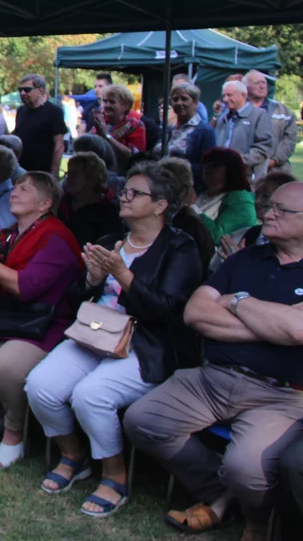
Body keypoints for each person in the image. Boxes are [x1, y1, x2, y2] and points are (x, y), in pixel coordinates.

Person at [124, 181, 303, 540]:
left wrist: (234, 301)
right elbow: (195, 313)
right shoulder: (245, 258)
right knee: (142, 420)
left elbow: (298, 332)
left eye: (282, 210)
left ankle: (254, 518)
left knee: (246, 467)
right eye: (270, 206)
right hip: (213, 378)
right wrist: (275, 326)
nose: (267, 213)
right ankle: (223, 495)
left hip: (280, 395)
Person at [26, 163, 202, 517]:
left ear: (161, 205)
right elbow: (73, 301)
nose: (124, 196)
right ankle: (74, 456)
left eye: (135, 193)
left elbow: (167, 311)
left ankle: (115, 475)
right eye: (125, 191)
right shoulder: (112, 241)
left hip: (146, 344)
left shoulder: (180, 248)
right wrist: (92, 280)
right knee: (39, 385)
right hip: (95, 334)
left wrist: (123, 275)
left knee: (91, 395)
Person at [0, 172, 83, 469]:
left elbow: (26, 286)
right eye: (15, 187)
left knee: (5, 367)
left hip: (40, 324)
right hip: (5, 317)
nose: (14, 193)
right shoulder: (5, 234)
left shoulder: (58, 237)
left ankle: (14, 432)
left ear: (45, 204)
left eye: (25, 189)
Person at [155, 82, 216, 193]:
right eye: (175, 99)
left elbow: (208, 167)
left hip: (187, 189)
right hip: (162, 187)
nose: (179, 103)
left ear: (195, 103)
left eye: (184, 99)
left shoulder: (205, 131)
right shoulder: (168, 130)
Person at [56, 152, 124, 248]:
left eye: (75, 173)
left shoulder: (109, 212)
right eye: (68, 173)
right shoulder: (61, 203)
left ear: (93, 177)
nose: (69, 178)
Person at [160, 157, 216, 272]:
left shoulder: (189, 224)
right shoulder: (170, 218)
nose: (155, 191)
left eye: (163, 186)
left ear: (183, 191)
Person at [195, 147, 258, 249]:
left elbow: (220, 238)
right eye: (205, 164)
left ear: (231, 169)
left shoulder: (241, 201)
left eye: (214, 165)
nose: (207, 169)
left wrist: (193, 208)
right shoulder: (201, 194)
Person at [215, 79, 274, 181]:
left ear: (243, 95)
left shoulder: (259, 115)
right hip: (222, 175)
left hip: (246, 177)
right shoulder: (223, 117)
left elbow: (263, 148)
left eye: (229, 95)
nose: (225, 99)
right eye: (223, 96)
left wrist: (239, 160)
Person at [244, 69, 297, 174]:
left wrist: (274, 161)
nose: (262, 86)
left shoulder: (283, 111)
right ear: (246, 87)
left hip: (277, 171)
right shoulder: (240, 110)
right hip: (245, 171)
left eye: (264, 82)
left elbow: (290, 140)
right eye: (257, 83)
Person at [13, 74, 67, 177]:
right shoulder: (21, 111)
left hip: (42, 171)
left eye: (27, 89)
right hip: (20, 170)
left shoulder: (54, 112)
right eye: (20, 90)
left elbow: (59, 146)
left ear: (40, 90)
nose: (22, 93)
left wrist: (53, 175)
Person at [86, 84, 146, 170]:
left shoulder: (135, 126)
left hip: (122, 174)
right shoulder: (102, 121)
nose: (107, 105)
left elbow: (135, 156)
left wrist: (107, 136)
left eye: (112, 102)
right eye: (105, 101)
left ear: (125, 106)